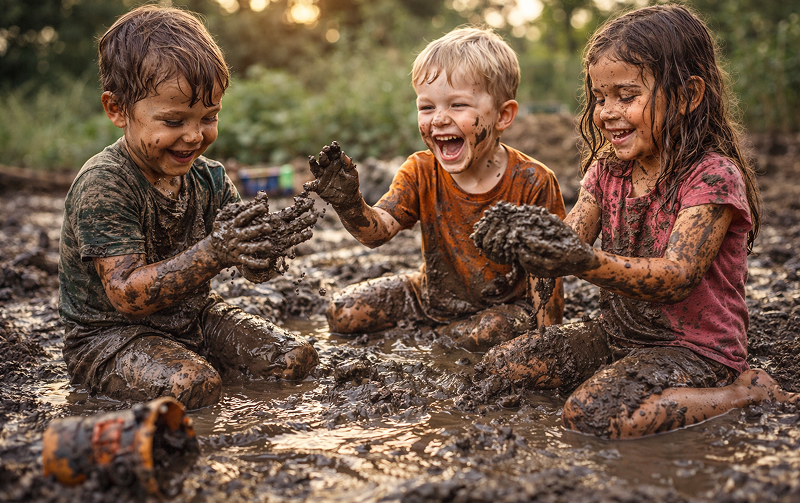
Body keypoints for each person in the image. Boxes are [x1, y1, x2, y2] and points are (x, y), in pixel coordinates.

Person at [473, 4, 798, 439]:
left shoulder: (712, 176)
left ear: (688, 96)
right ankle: (613, 375)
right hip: (616, 336)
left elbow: (678, 277)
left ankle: (745, 393)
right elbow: (563, 246)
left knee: (589, 415)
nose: (607, 112)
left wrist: (583, 261)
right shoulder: (607, 171)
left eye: (627, 97)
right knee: (501, 368)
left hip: (695, 350)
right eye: (599, 98)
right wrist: (534, 257)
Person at [58, 5, 319, 410]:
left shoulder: (210, 179)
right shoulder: (105, 183)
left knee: (291, 359)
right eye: (174, 121)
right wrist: (215, 251)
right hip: (110, 339)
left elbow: (250, 268)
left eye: (209, 117)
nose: (194, 136)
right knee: (194, 384)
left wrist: (265, 247)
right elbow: (126, 294)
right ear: (117, 110)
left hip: (194, 319)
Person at [304, 27, 566, 351]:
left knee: (477, 335)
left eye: (457, 105)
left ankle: (441, 341)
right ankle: (438, 338)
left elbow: (550, 272)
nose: (439, 119)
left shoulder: (532, 181)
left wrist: (549, 340)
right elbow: (377, 233)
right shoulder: (421, 170)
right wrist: (348, 203)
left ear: (503, 115)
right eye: (427, 107)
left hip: (505, 308)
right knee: (342, 312)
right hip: (428, 297)